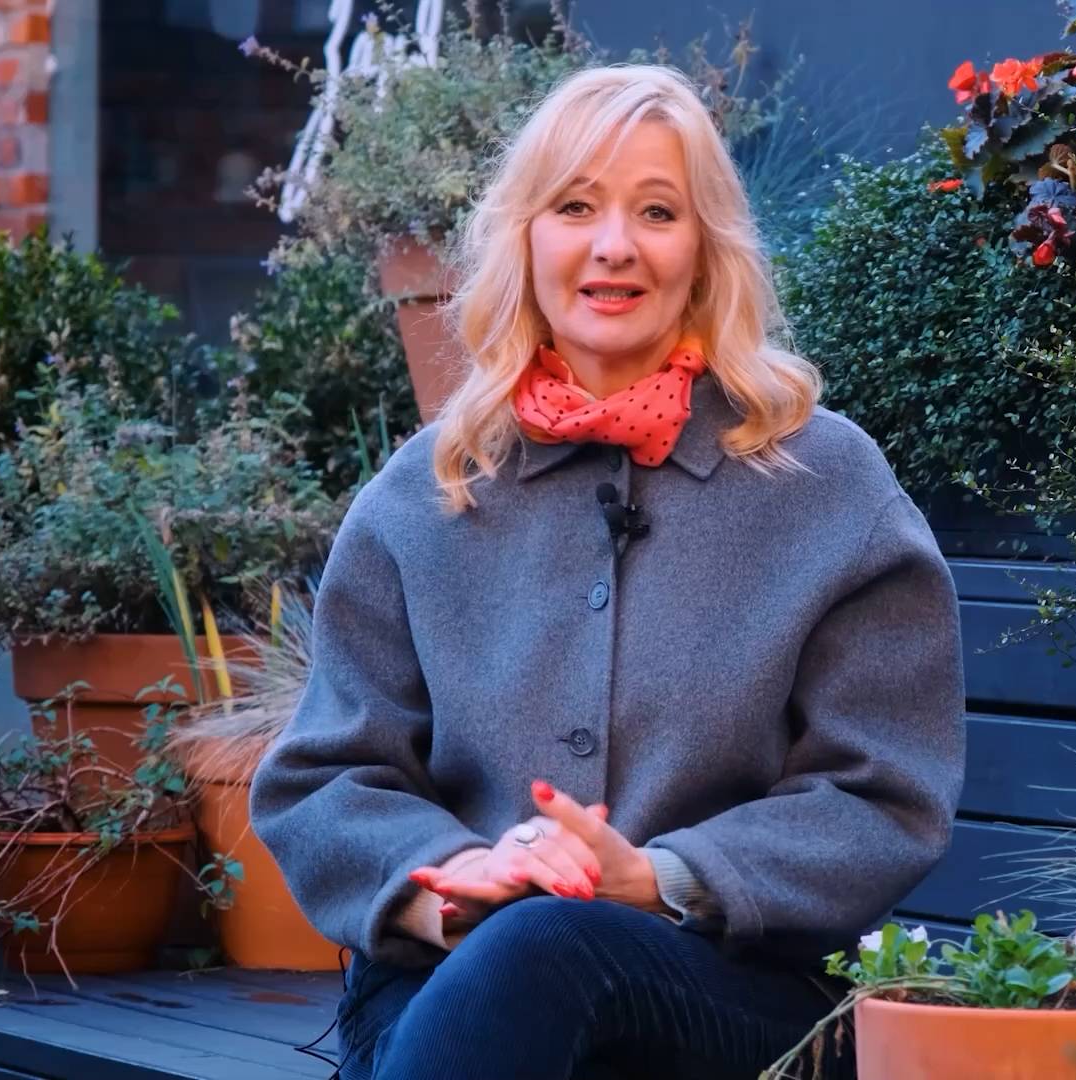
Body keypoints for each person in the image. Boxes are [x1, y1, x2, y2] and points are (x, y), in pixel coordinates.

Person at [249, 63, 966, 1080]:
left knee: (546, 947)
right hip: (444, 971)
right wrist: (459, 878)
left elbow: (882, 795)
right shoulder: (425, 492)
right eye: (575, 207)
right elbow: (324, 779)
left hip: (734, 987)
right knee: (510, 960)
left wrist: (665, 878)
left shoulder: (826, 483)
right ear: (525, 239)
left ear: (707, 249)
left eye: (657, 211)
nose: (614, 245)